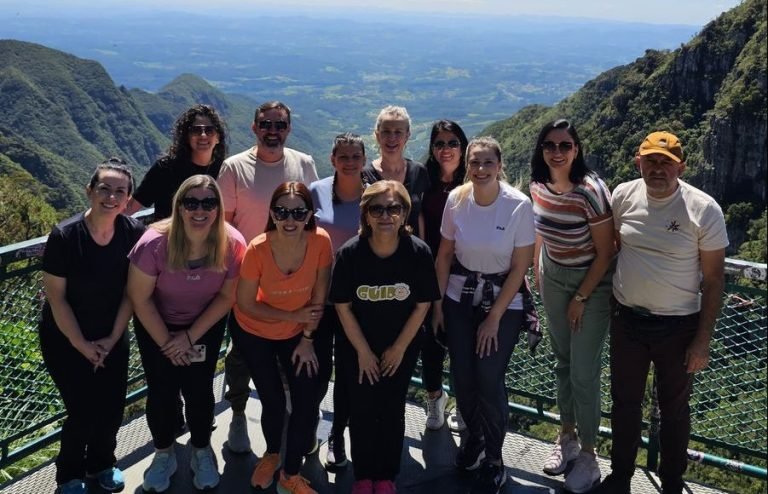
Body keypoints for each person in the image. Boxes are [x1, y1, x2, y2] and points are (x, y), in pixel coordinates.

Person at [594, 132, 728, 494]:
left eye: (666, 163)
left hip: (679, 326)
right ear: (638, 162)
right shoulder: (623, 195)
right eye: (650, 161)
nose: (657, 169)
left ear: (681, 167)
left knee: (674, 410)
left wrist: (702, 340)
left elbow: (714, 279)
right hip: (628, 320)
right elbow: (617, 247)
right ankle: (620, 477)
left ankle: (671, 482)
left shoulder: (703, 209)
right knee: (624, 403)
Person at [127, 175, 246, 492]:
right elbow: (139, 297)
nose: (200, 210)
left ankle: (201, 449)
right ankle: (163, 452)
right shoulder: (153, 243)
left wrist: (190, 338)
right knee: (162, 390)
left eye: (209, 203)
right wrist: (169, 343)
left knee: (198, 389)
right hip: (157, 324)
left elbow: (227, 297)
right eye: (191, 202)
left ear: (219, 208)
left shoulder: (232, 243)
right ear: (178, 206)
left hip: (203, 324)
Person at [433, 137, 535, 494]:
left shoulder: (518, 205)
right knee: (463, 376)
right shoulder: (456, 200)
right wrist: (436, 306)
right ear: (467, 166)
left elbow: (521, 265)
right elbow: (445, 254)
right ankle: (472, 441)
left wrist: (494, 318)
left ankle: (495, 457)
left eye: (487, 162)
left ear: (499, 165)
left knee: (489, 378)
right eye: (475, 162)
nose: (480, 169)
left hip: (502, 300)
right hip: (459, 296)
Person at [217, 100, 319, 453]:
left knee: (290, 358)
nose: (272, 131)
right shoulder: (233, 168)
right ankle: (239, 414)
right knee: (241, 355)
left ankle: (290, 423)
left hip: (292, 283)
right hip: (246, 280)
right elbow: (223, 227)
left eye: (279, 125)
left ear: (288, 129)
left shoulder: (303, 163)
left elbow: (311, 218)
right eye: (266, 124)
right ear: (254, 127)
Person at [40, 158, 145, 494]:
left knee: (112, 405)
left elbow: (133, 292)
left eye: (120, 191)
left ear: (128, 199)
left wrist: (113, 338)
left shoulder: (133, 233)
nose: (111, 197)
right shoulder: (65, 236)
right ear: (89, 191)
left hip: (112, 334)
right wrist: (83, 346)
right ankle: (69, 475)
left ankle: (102, 463)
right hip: (64, 337)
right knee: (82, 408)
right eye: (104, 188)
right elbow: (57, 299)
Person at [330, 180, 440, 494]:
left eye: (394, 208)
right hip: (356, 347)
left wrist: (399, 348)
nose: (386, 215)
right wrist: (363, 352)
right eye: (377, 208)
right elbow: (342, 306)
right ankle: (364, 475)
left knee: (392, 409)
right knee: (362, 409)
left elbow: (422, 305)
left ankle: (386, 476)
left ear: (405, 213)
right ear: (365, 215)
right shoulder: (350, 254)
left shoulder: (418, 253)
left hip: (400, 346)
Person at [528, 119, 615, 493]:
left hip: (590, 284)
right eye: (550, 145)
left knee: (584, 371)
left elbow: (607, 251)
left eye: (565, 145)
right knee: (562, 361)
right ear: (541, 150)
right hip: (553, 278)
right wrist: (537, 271)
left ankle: (590, 456)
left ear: (576, 150)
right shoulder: (537, 184)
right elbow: (540, 231)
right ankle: (567, 438)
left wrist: (581, 297)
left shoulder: (591, 191)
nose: (557, 152)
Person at [231, 181, 332, 494]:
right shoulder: (258, 248)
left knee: (306, 400)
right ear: (271, 213)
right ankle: (272, 455)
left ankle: (290, 473)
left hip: (295, 332)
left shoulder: (320, 242)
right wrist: (293, 317)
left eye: (298, 212)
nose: (290, 220)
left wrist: (307, 338)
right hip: (254, 330)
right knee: (272, 399)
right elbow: (246, 303)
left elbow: (320, 294)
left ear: (309, 214)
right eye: (282, 212)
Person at [308, 133, 367, 470]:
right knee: (315, 368)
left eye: (355, 156)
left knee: (348, 372)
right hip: (318, 297)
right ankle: (308, 429)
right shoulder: (317, 191)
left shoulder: (373, 194)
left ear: (363, 158)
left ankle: (337, 437)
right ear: (332, 159)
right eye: (342, 156)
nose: (349, 162)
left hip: (356, 302)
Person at [421, 119, 469, 431]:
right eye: (439, 143)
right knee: (432, 343)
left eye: (452, 142)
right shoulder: (423, 181)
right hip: (429, 272)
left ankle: (464, 403)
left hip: (468, 275)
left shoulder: (475, 179)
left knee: (464, 345)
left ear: (462, 146)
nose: (446, 149)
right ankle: (435, 398)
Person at [127, 104, 227, 219]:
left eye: (209, 130)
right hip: (168, 236)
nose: (203, 135)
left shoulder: (225, 171)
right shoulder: (165, 169)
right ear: (187, 137)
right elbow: (132, 207)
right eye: (195, 130)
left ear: (218, 137)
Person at [361, 105, 429, 237]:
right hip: (376, 252)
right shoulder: (365, 175)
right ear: (377, 135)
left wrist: (423, 246)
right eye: (386, 131)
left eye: (398, 132)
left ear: (407, 136)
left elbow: (420, 215)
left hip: (412, 252)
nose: (392, 138)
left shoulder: (418, 172)